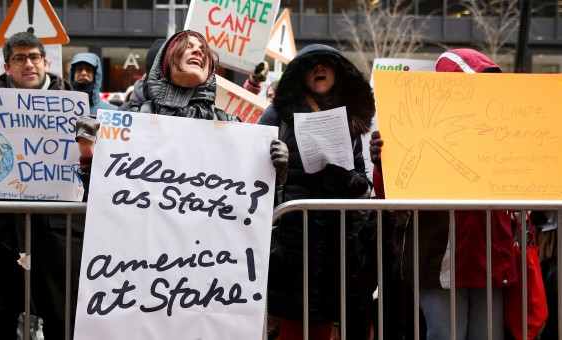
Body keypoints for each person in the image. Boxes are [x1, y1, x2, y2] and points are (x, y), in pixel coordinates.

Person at [369, 48, 517, 340]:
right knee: (445, 335)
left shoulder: (502, 125)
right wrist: (383, 162)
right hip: (439, 255)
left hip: (489, 251)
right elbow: (391, 194)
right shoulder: (419, 125)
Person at [257, 44, 375, 340]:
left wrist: (351, 183)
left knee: (322, 326)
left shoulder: (350, 121)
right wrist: (276, 170)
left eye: (326, 64)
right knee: (291, 329)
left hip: (334, 244)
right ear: (300, 74)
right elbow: (251, 179)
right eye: (312, 65)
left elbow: (362, 184)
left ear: (339, 72)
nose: (319, 69)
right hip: (293, 243)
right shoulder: (278, 116)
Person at [77, 30, 287, 185]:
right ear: (165, 62)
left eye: (203, 49)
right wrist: (89, 157)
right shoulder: (129, 121)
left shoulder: (231, 126)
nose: (197, 50)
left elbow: (251, 202)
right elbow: (104, 199)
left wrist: (274, 175)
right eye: (187, 46)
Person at [0, 31, 80, 340]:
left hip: (57, 231)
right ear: (7, 66)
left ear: (45, 62)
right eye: (19, 58)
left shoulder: (75, 109)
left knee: (60, 316)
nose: (27, 64)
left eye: (33, 57)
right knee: (1, 315)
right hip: (2, 231)